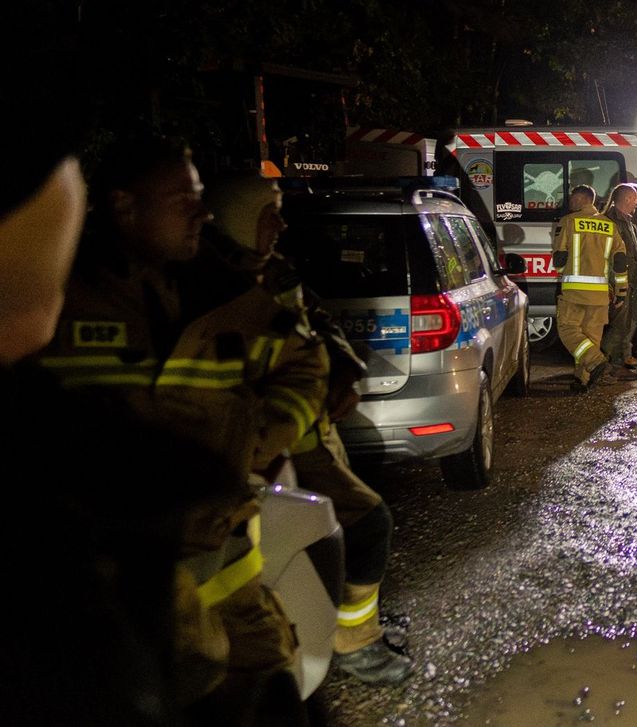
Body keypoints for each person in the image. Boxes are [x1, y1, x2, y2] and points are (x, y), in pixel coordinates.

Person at [37, 135, 327, 725]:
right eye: (183, 199)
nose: (205, 212)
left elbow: (306, 361)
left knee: (281, 702)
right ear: (123, 207)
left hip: (227, 577)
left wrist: (259, 437)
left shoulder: (225, 292)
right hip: (114, 588)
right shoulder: (57, 300)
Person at [202, 171, 413, 686]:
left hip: (311, 433)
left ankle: (343, 624)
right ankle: (354, 642)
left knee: (333, 532)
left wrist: (343, 365)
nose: (280, 223)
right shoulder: (208, 287)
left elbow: (318, 323)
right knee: (368, 523)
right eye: (267, 213)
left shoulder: (272, 272)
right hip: (273, 447)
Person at [553, 185, 635, 389]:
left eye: (573, 198)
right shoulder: (609, 226)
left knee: (568, 331)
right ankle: (582, 380)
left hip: (574, 293)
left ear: (582, 199)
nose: (570, 201)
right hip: (600, 296)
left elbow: (559, 259)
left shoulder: (568, 222)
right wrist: (621, 292)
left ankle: (597, 362)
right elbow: (620, 262)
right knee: (590, 337)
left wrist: (562, 274)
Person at [600, 183, 637, 372]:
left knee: (631, 319)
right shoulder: (610, 220)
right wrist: (615, 283)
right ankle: (603, 363)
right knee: (619, 323)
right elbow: (611, 255)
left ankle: (622, 358)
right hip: (620, 279)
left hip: (634, 278)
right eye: (636, 197)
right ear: (628, 198)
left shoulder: (630, 219)